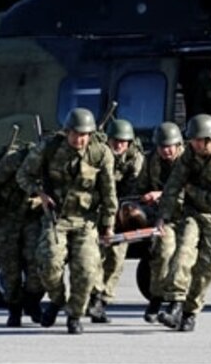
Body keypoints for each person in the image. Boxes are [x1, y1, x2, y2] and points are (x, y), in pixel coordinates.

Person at [16, 108, 117, 335]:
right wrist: (39, 193)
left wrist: (108, 225)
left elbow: (109, 193)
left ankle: (75, 314)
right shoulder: (49, 149)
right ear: (67, 131)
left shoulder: (101, 153)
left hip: (85, 221)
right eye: (75, 134)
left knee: (86, 269)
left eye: (84, 134)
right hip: (56, 218)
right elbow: (23, 175)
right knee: (49, 263)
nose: (79, 139)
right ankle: (58, 299)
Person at [157, 114, 211, 332]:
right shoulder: (189, 155)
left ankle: (189, 313)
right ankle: (175, 305)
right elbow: (173, 185)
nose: (194, 145)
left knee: (205, 268)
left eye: (198, 141)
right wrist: (164, 216)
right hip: (193, 212)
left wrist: (191, 189)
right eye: (192, 141)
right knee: (183, 252)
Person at [0, 141, 44, 327]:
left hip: (32, 215)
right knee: (10, 266)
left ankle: (33, 303)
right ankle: (14, 310)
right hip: (6, 215)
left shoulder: (52, 162)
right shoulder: (13, 161)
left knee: (38, 260)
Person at [88, 118, 144, 324]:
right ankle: (91, 296)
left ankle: (101, 301)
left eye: (123, 141)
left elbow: (134, 187)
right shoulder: (97, 155)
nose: (119, 144)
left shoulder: (135, 158)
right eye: (115, 140)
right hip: (96, 208)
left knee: (116, 259)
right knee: (93, 257)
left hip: (120, 209)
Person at [137, 121, 185, 323]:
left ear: (178, 145)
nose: (165, 151)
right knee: (162, 252)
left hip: (187, 215)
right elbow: (140, 186)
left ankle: (177, 303)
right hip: (163, 217)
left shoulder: (189, 161)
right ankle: (156, 298)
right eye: (161, 147)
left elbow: (191, 191)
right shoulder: (151, 161)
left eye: (169, 146)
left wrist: (161, 194)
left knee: (182, 256)